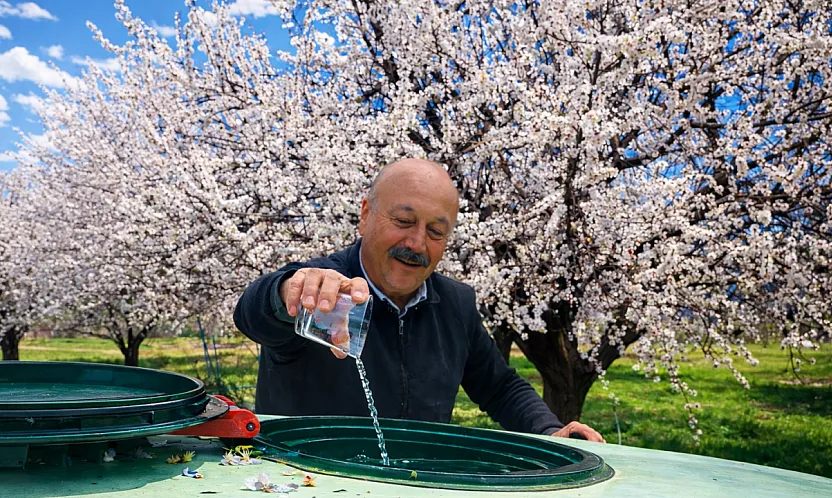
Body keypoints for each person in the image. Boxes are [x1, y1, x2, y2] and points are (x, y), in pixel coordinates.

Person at [233, 158, 604, 442]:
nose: (416, 244)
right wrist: (288, 293)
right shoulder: (325, 290)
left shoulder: (455, 304)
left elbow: (499, 386)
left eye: (436, 231)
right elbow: (252, 315)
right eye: (404, 221)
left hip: (416, 480)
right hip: (304, 480)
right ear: (365, 215)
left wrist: (549, 429)